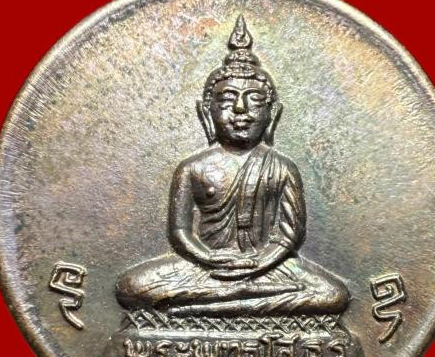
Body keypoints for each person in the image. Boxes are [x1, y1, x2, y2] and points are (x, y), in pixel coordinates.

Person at [116, 16, 349, 316]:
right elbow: (180, 232)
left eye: (254, 101)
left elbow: (289, 235)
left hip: (268, 268)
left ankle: (197, 309)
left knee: (333, 294)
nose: (240, 110)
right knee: (130, 287)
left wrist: (259, 263)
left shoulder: (282, 167)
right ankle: (241, 304)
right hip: (205, 267)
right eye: (227, 100)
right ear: (206, 111)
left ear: (272, 114)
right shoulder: (192, 168)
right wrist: (210, 259)